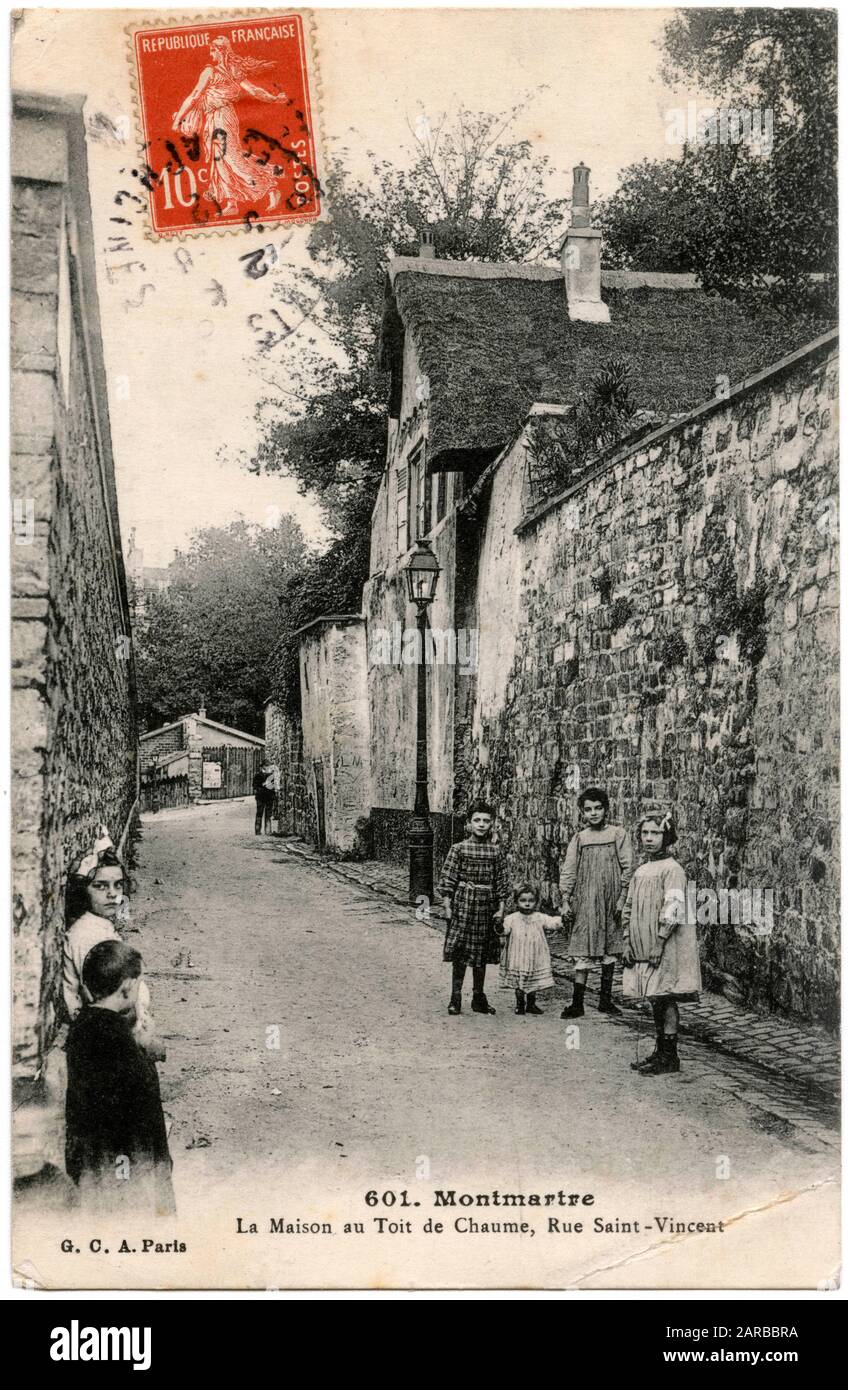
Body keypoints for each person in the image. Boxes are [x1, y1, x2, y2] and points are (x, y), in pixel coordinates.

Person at [65, 939, 175, 1213]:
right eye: (139, 983)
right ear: (126, 988)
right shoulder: (120, 1042)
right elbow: (142, 1102)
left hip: (91, 1155)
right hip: (122, 1162)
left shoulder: (84, 1026)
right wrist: (147, 1052)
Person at [63, 830, 162, 1059]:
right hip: (108, 1042)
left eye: (118, 886)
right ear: (83, 890)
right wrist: (141, 1041)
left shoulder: (101, 926)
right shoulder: (86, 936)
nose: (112, 894)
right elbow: (105, 1001)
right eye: (100, 886)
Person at [172, 36, 289, 217]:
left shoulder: (212, 72)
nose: (211, 54)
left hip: (222, 117)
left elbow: (195, 95)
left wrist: (178, 118)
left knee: (232, 157)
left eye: (213, 50)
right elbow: (253, 90)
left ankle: (270, 187)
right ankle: (231, 201)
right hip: (213, 118)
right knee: (219, 159)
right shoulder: (227, 70)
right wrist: (273, 98)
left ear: (221, 51)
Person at [622, 810, 700, 1075]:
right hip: (642, 943)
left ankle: (670, 1056)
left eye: (655, 833)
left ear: (666, 836)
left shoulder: (672, 870)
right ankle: (660, 1051)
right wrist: (627, 941)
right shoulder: (642, 870)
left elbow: (674, 907)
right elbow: (629, 907)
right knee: (654, 997)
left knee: (665, 996)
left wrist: (659, 941)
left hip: (664, 944)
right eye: (645, 833)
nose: (649, 838)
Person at [558, 787, 633, 1019]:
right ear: (582, 812)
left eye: (598, 808)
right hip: (587, 900)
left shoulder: (618, 834)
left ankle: (605, 999)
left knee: (610, 945)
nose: (594, 813)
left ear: (606, 809)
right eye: (588, 809)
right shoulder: (580, 838)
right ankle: (577, 1003)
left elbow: (628, 867)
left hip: (611, 900)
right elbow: (569, 870)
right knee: (584, 946)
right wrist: (566, 900)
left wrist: (622, 899)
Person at [437, 802, 507, 1016]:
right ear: (468, 824)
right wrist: (448, 906)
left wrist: (501, 909)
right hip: (463, 904)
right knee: (460, 952)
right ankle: (455, 997)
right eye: (477, 820)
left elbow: (502, 883)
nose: (482, 825)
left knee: (481, 953)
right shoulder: (458, 848)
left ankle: (479, 997)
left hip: (486, 906)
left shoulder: (496, 851)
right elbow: (448, 879)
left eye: (486, 821)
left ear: (492, 823)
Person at [499, 884, 564, 1014]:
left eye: (531, 901)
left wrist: (562, 919)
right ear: (516, 901)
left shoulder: (540, 917)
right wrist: (499, 926)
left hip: (535, 954)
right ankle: (520, 1004)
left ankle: (531, 1004)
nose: (527, 904)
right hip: (518, 954)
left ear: (536, 902)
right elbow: (504, 930)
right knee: (519, 979)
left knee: (533, 979)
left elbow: (553, 923)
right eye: (523, 901)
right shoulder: (512, 918)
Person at [253, 762, 275, 835]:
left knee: (268, 814)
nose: (268, 767)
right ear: (262, 767)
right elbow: (255, 786)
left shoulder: (271, 776)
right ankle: (258, 830)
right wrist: (262, 787)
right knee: (259, 813)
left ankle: (268, 831)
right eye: (266, 766)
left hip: (269, 797)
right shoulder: (258, 775)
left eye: (268, 766)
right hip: (260, 797)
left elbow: (274, 786)